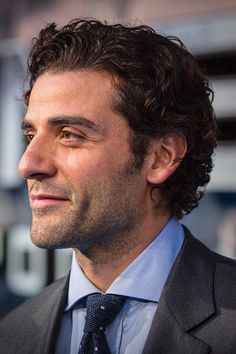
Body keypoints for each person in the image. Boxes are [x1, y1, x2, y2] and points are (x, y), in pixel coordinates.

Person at [0, 18, 235, 354]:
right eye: (30, 135)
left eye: (69, 135)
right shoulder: (12, 334)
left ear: (160, 157)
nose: (28, 164)